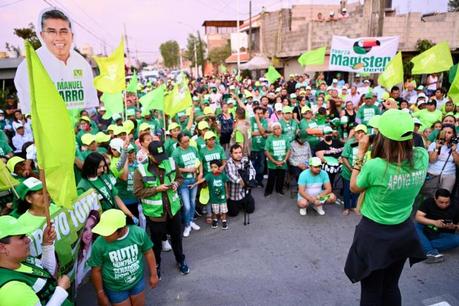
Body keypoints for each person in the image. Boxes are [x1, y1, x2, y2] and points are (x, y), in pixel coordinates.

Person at [345, 109, 429, 306]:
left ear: (381, 137)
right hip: (403, 231)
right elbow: (415, 146)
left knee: (372, 289)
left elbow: (354, 186)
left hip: (375, 234)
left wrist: (360, 152)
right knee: (391, 285)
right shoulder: (422, 156)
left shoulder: (375, 166)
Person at [133, 141, 189, 278]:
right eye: (157, 157)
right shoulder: (140, 170)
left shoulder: (170, 162)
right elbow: (138, 192)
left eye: (162, 156)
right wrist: (156, 189)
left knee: (177, 238)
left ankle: (180, 260)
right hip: (155, 215)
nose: (161, 160)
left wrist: (176, 183)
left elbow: (180, 178)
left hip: (173, 210)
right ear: (149, 155)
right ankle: (156, 265)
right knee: (156, 244)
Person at [88, 209, 159, 306]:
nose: (104, 235)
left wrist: (154, 274)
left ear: (121, 230)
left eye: (107, 232)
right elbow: (96, 270)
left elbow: (148, 252)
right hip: (115, 289)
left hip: (137, 282)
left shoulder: (138, 234)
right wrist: (100, 293)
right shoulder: (98, 245)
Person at [0, 216, 71, 305]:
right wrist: (61, 291)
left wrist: (47, 244)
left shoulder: (18, 260)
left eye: (26, 235)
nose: (28, 240)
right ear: (2, 248)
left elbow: (45, 273)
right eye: (22, 237)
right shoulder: (11, 289)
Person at [77, 152, 137, 223]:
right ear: (90, 167)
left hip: (115, 215)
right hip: (101, 223)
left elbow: (116, 197)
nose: (102, 170)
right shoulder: (82, 187)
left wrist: (130, 214)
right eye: (99, 167)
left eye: (103, 166)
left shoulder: (104, 176)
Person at [415, 189, 459, 263]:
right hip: (427, 229)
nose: (444, 205)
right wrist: (434, 222)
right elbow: (418, 217)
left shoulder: (456, 205)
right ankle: (431, 252)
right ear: (435, 198)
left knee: (457, 240)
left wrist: (454, 226)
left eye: (447, 202)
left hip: (444, 234)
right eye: (441, 202)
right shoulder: (428, 202)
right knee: (415, 227)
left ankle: (422, 245)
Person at [172, 133, 201, 237]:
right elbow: (174, 168)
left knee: (193, 202)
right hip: (183, 181)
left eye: (188, 140)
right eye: (184, 141)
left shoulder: (193, 149)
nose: (187, 143)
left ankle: (191, 220)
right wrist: (187, 169)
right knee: (187, 206)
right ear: (179, 142)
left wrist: (200, 173)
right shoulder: (176, 152)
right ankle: (187, 225)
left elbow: (199, 160)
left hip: (194, 180)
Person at [192, 159, 229, 230]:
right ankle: (215, 220)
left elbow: (225, 184)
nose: (213, 169)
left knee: (224, 211)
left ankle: (224, 221)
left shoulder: (222, 175)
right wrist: (194, 184)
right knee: (215, 211)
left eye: (215, 167)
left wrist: (227, 193)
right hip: (214, 198)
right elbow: (201, 180)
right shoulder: (209, 175)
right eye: (211, 167)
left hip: (222, 198)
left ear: (219, 167)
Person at [340, 124, 367, 216]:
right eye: (358, 132)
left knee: (357, 189)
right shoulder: (350, 143)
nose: (360, 135)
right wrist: (351, 169)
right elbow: (344, 157)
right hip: (348, 171)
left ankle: (354, 206)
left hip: (361, 172)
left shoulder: (367, 144)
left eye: (362, 132)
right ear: (355, 134)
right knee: (347, 190)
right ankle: (346, 207)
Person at [425, 124, 459, 195]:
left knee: (444, 196)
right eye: (444, 132)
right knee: (430, 196)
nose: (446, 134)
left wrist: (454, 151)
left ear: (453, 135)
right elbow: (432, 160)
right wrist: (437, 148)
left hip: (449, 175)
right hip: (433, 173)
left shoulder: (457, 145)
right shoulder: (434, 144)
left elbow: (458, 163)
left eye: (449, 133)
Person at [225, 144, 256, 217]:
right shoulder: (228, 162)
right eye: (236, 153)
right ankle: (236, 205)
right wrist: (240, 180)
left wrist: (251, 179)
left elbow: (252, 170)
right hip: (234, 195)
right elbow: (230, 174)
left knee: (250, 210)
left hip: (245, 193)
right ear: (231, 154)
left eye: (240, 152)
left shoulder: (245, 159)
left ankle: (244, 203)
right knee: (233, 214)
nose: (238, 155)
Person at [264, 122, 291, 197]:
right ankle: (268, 191)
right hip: (272, 162)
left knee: (281, 177)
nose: (278, 130)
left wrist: (284, 160)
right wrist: (274, 161)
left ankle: (279, 190)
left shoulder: (285, 137)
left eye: (279, 128)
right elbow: (266, 151)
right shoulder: (270, 138)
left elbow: (288, 149)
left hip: (283, 162)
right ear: (273, 131)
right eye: (275, 129)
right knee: (271, 178)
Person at [250, 106, 268, 187]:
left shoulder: (264, 121)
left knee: (261, 165)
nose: (259, 115)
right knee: (252, 165)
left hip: (262, 147)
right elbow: (250, 133)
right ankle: (252, 181)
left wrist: (258, 122)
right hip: (252, 147)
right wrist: (262, 132)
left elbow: (263, 131)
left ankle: (259, 181)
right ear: (254, 113)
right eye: (257, 114)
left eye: (261, 113)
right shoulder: (250, 120)